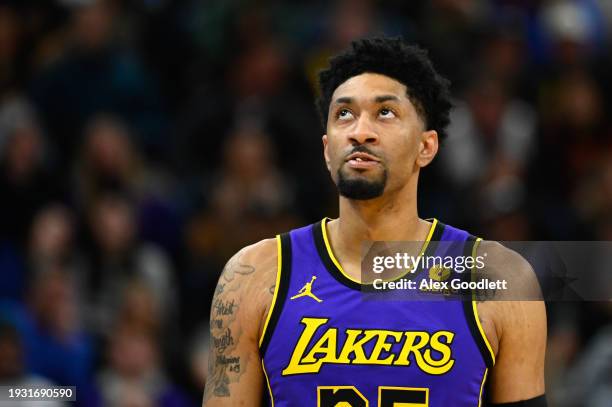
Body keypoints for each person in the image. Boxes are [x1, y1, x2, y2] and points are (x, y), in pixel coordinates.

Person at [202, 37, 546, 407]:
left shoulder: (500, 278)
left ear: (426, 147)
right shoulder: (253, 275)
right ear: (326, 149)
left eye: (385, 113)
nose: (359, 131)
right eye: (344, 114)